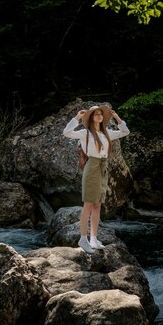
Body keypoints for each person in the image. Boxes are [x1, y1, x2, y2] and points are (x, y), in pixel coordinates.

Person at [63, 105, 130, 254]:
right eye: (96, 114)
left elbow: (126, 131)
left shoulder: (107, 134)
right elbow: (66, 132)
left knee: (97, 206)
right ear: (91, 117)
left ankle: (93, 238)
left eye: (101, 114)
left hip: (103, 168)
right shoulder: (84, 133)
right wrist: (77, 118)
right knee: (88, 204)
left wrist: (117, 117)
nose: (99, 116)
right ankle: (83, 238)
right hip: (92, 166)